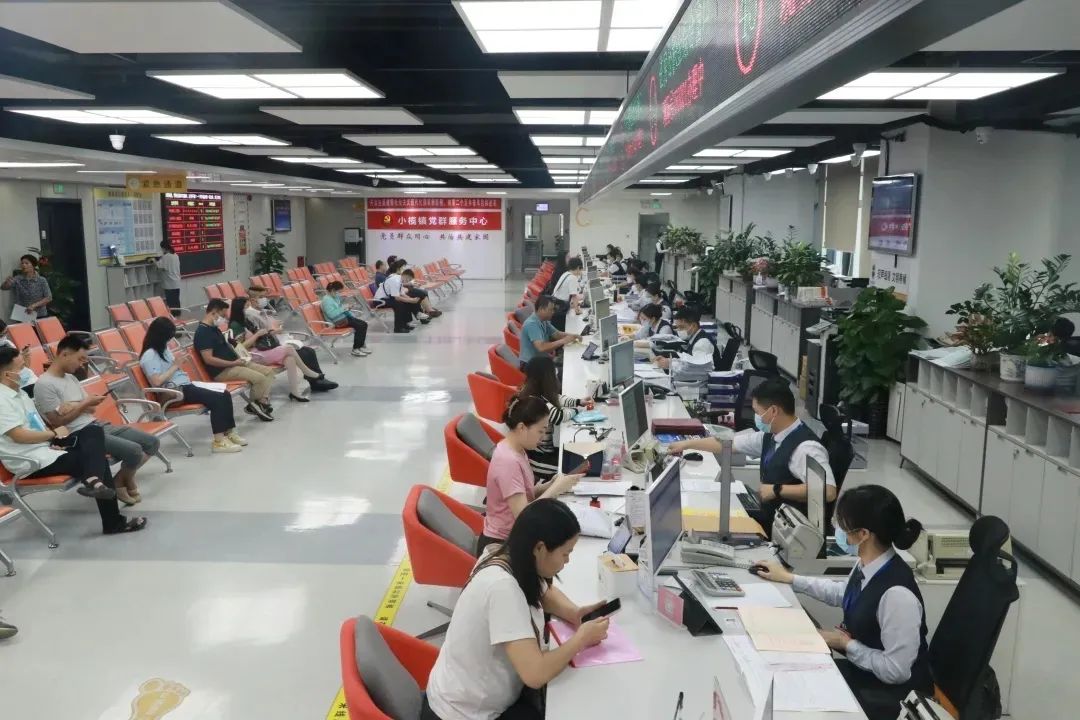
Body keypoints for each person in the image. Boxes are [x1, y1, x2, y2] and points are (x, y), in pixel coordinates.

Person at [752, 485, 930, 720]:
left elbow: (896, 671)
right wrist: (791, 579)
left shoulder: (898, 595)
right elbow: (844, 593)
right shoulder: (869, 563)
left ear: (863, 534)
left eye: (842, 525)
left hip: (891, 697)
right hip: (864, 673)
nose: (838, 529)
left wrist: (846, 644)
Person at [423, 499, 610, 720]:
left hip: (474, 695)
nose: (567, 561)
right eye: (565, 553)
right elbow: (535, 673)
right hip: (462, 713)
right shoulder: (502, 589)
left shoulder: (506, 555)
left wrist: (575, 613)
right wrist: (581, 639)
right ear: (540, 548)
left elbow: (544, 593)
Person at [0, 346, 147, 534]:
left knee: (92, 431)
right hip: (30, 460)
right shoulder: (2, 400)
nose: (27, 371)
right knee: (96, 459)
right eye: (22, 367)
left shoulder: (19, 393)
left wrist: (54, 434)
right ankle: (110, 516)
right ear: (7, 374)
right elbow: (19, 435)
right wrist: (52, 435)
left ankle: (94, 482)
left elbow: (36, 424)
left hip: (46, 448)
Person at [670, 378, 836, 533]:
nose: (756, 418)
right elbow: (727, 444)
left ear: (773, 411)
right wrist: (686, 444)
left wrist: (777, 490)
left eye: (757, 412)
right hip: (771, 517)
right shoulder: (772, 435)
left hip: (790, 532)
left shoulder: (806, 447)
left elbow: (828, 491)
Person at [34, 334, 161, 506]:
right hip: (80, 434)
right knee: (134, 451)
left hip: (97, 424)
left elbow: (92, 408)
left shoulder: (71, 378)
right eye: (80, 359)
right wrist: (84, 403)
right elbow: (57, 422)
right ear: (65, 354)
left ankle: (121, 480)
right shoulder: (44, 384)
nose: (81, 364)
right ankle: (124, 482)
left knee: (152, 442)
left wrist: (75, 405)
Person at [478, 396, 583, 554]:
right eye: (540, 431)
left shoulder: (517, 449)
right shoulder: (508, 461)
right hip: (502, 544)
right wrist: (555, 489)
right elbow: (524, 516)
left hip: (513, 535)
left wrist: (549, 485)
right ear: (522, 427)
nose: (543, 436)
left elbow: (524, 494)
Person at [140, 317, 245, 453]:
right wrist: (175, 365)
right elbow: (156, 382)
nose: (169, 341)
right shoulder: (149, 355)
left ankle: (229, 432)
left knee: (224, 393)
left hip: (185, 385)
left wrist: (177, 364)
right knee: (217, 398)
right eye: (167, 338)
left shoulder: (162, 349)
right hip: (176, 390)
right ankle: (219, 442)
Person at [193, 299, 276, 421]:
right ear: (214, 312)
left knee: (269, 372)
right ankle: (258, 404)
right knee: (260, 379)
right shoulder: (203, 333)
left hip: (235, 364)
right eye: (223, 315)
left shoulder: (214, 328)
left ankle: (259, 403)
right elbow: (209, 359)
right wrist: (233, 363)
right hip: (222, 371)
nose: (225, 319)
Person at [228, 298, 324, 401]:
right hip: (251, 354)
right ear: (239, 308)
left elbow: (262, 334)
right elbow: (239, 347)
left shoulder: (246, 320)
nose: (249, 309)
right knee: (289, 349)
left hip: (260, 350)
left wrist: (267, 329)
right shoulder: (235, 325)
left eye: (249, 306)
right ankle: (307, 372)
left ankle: (295, 392)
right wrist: (257, 335)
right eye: (246, 307)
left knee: (290, 359)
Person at [246, 286, 337, 392]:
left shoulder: (262, 311)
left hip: (276, 341)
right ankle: (316, 381)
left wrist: (277, 327)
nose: (265, 299)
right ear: (253, 300)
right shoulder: (250, 315)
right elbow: (258, 335)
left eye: (265, 296)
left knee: (309, 351)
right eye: (261, 297)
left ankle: (317, 380)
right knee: (303, 353)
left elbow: (269, 327)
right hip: (266, 347)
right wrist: (274, 330)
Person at [518, 356, 584, 482]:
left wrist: (578, 401)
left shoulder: (532, 391)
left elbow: (557, 397)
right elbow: (559, 416)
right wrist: (578, 410)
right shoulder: (537, 403)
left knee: (580, 459)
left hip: (546, 452)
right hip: (538, 460)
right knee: (578, 469)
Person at [654, 306, 717, 382]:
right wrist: (670, 361)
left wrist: (670, 364)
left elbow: (697, 370)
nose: (679, 331)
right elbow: (689, 362)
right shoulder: (694, 338)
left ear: (693, 325)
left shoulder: (702, 343)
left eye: (681, 327)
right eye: (677, 327)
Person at [518, 295, 579, 367]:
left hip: (540, 360)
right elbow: (541, 347)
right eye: (551, 310)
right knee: (568, 367)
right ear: (541, 309)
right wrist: (564, 341)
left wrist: (573, 336)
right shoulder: (532, 324)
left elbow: (557, 334)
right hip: (530, 365)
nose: (553, 312)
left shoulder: (543, 321)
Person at [373, 260, 428, 333]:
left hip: (386, 299)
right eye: (408, 279)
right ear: (405, 276)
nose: (408, 282)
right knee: (399, 303)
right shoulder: (395, 280)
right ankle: (398, 328)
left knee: (405, 301)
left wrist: (411, 299)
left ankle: (406, 324)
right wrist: (411, 300)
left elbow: (402, 293)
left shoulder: (399, 279)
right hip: (379, 301)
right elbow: (397, 297)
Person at [320, 281, 372, 357]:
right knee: (360, 326)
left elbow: (340, 308)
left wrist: (348, 309)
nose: (339, 293)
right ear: (333, 290)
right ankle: (356, 349)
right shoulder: (326, 300)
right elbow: (332, 315)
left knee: (364, 324)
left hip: (343, 318)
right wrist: (344, 308)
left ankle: (361, 346)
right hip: (337, 322)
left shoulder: (334, 297)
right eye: (338, 291)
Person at [2, 255, 51, 319]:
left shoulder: (41, 280)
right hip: (22, 315)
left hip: (39, 315)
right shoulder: (18, 278)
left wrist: (33, 306)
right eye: (22, 263)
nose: (24, 265)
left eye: (26, 263)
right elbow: (3, 288)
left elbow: (48, 298)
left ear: (33, 265)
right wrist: (7, 283)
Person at [0, 321, 38, 395]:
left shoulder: (8, 344)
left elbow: (25, 367)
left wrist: (26, 356)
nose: (4, 336)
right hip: (16, 388)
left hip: (29, 380)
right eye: (1, 335)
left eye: (6, 332)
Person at [550, 257, 584, 331]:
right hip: (560, 310)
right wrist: (577, 310)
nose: (581, 271)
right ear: (578, 268)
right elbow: (574, 296)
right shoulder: (573, 278)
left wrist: (573, 304)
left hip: (555, 306)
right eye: (581, 269)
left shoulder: (566, 274)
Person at [153, 241, 182, 311]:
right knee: (176, 301)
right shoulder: (176, 255)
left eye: (162, 249)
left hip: (169, 285)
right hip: (176, 283)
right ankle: (177, 315)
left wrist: (153, 260)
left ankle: (172, 315)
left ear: (164, 248)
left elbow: (159, 266)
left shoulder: (166, 257)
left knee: (170, 303)